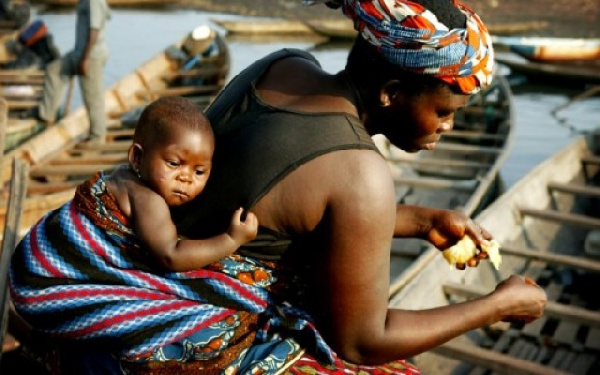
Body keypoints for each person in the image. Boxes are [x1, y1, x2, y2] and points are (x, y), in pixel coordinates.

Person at [10, 1, 547, 374]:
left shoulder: (282, 66)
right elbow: (363, 340)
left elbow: (282, 204)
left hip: (156, 265)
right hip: (191, 315)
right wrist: (496, 306)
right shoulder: (362, 174)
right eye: (445, 111)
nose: (446, 127)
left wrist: (424, 220)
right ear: (390, 92)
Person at [36, 0, 110, 144]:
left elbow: (94, 30)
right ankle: (48, 117)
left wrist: (85, 59)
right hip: (78, 53)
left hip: (91, 56)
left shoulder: (94, 2)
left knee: (92, 96)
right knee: (54, 69)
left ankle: (98, 136)